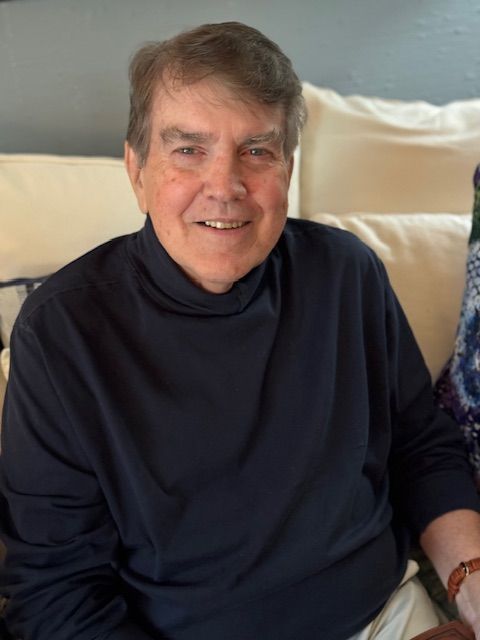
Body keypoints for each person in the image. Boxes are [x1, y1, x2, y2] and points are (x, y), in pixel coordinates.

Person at [1, 21, 480, 640]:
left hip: (386, 616)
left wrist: (470, 580)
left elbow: (421, 450)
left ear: (288, 167)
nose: (225, 187)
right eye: (189, 150)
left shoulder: (346, 273)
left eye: (257, 149)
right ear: (136, 168)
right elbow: (56, 591)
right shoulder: (63, 332)